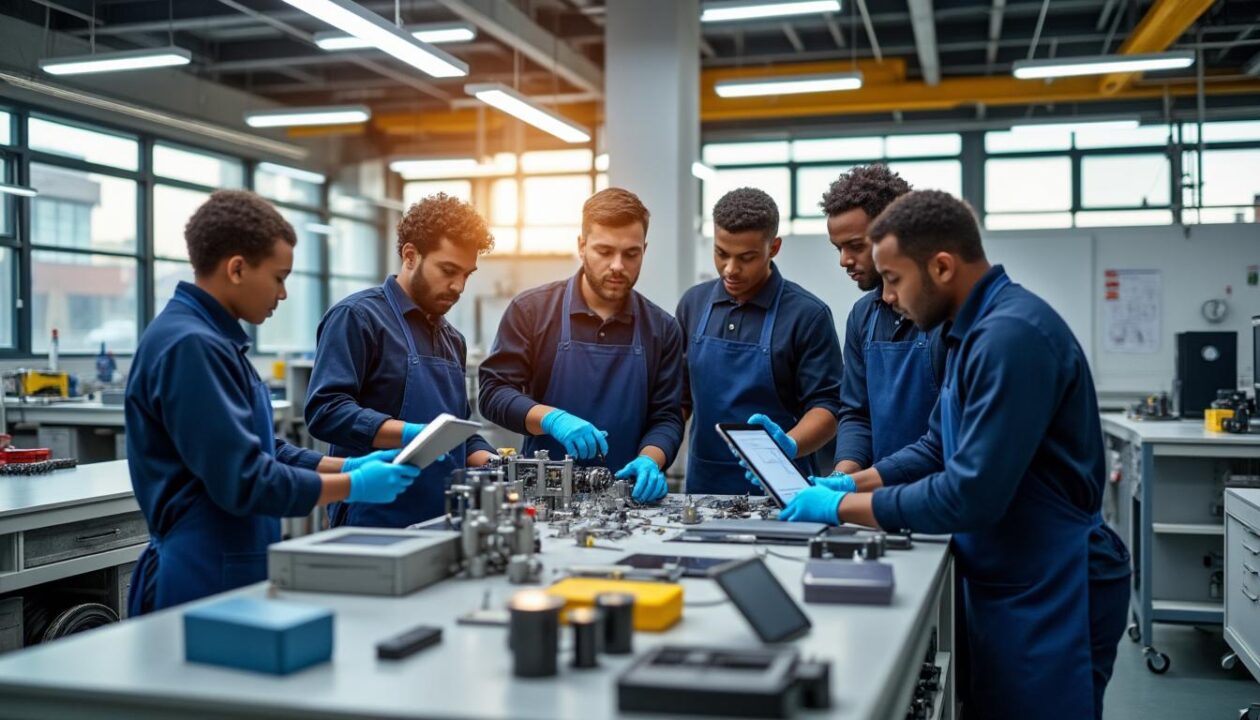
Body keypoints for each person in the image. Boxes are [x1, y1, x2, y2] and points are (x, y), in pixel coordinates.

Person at [778, 190, 1131, 720]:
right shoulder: (968, 335)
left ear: (941, 267)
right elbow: (936, 445)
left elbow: (969, 493)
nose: (889, 298)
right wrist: (853, 482)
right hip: (1006, 570)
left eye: (895, 280)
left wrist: (839, 511)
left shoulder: (1010, 338)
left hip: (1053, 581)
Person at [125, 190, 420, 615]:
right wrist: (352, 487)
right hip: (201, 569)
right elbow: (245, 480)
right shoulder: (191, 346)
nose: (282, 295)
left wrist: (347, 465)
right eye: (280, 277)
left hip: (233, 557)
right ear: (238, 269)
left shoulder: (217, 342)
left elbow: (267, 449)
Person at [478, 188, 684, 504]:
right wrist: (552, 419)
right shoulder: (531, 311)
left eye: (631, 254)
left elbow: (666, 417)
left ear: (644, 249)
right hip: (543, 497)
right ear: (581, 246)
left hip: (626, 499)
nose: (617, 265)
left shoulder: (662, 329)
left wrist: (651, 461)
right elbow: (493, 393)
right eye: (604, 251)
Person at [306, 193, 498, 528]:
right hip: (372, 518)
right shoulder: (358, 318)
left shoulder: (453, 340)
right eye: (448, 270)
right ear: (410, 255)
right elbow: (326, 412)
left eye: (467, 274)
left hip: (440, 520)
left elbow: (457, 430)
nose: (458, 286)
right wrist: (409, 434)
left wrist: (490, 461)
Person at [675, 187, 842, 493]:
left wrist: (789, 445)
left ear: (773, 247)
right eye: (721, 253)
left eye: (746, 258)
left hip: (780, 487)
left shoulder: (807, 315)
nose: (730, 269)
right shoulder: (693, 304)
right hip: (704, 486)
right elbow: (680, 398)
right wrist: (655, 453)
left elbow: (828, 407)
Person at [821, 165, 945, 479]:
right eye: (838, 249)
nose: (844, 261)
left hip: (940, 498)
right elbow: (857, 414)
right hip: (880, 497)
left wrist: (859, 485)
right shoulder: (863, 316)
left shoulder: (949, 319)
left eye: (856, 246)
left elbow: (943, 441)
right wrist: (843, 473)